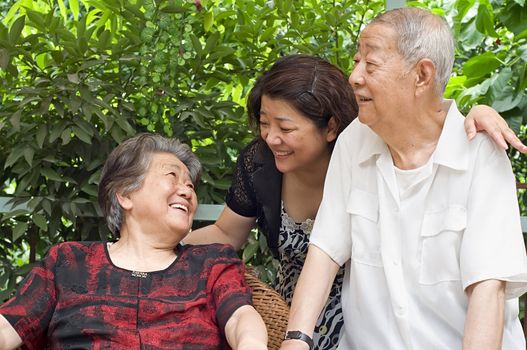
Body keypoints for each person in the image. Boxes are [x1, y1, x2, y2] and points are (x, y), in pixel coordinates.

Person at [184, 54, 525, 349]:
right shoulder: (261, 165)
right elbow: (227, 233)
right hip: (291, 311)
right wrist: (150, 245)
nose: (272, 138)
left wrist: (479, 111)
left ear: (330, 128)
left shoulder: (365, 149)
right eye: (263, 123)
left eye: (286, 128)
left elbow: (424, 120)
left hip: (362, 313)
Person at [281, 8, 527, 350]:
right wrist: (296, 341)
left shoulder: (479, 152)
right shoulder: (354, 140)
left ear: (422, 75)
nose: (354, 77)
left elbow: (488, 288)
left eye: (371, 64)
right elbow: (325, 250)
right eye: (356, 61)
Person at [0, 133, 268, 350]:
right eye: (172, 177)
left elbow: (239, 317)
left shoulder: (211, 263)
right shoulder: (69, 261)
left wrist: (251, 344)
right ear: (125, 195)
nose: (187, 191)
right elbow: (8, 327)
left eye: (190, 185)